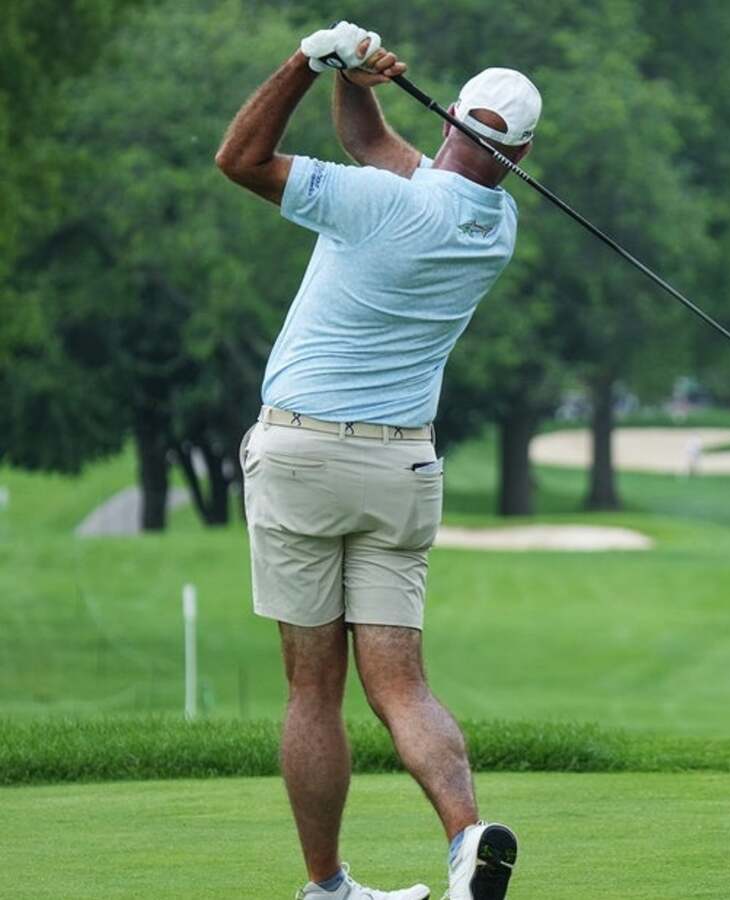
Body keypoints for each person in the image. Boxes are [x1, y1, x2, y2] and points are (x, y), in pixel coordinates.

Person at [215, 21, 538, 900]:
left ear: (451, 126)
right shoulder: (492, 223)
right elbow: (374, 145)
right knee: (402, 684)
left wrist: (304, 62)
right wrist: (356, 81)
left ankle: (327, 887)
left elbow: (240, 159)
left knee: (313, 692)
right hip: (400, 471)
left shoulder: (378, 203)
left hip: (302, 455)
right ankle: (467, 836)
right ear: (520, 152)